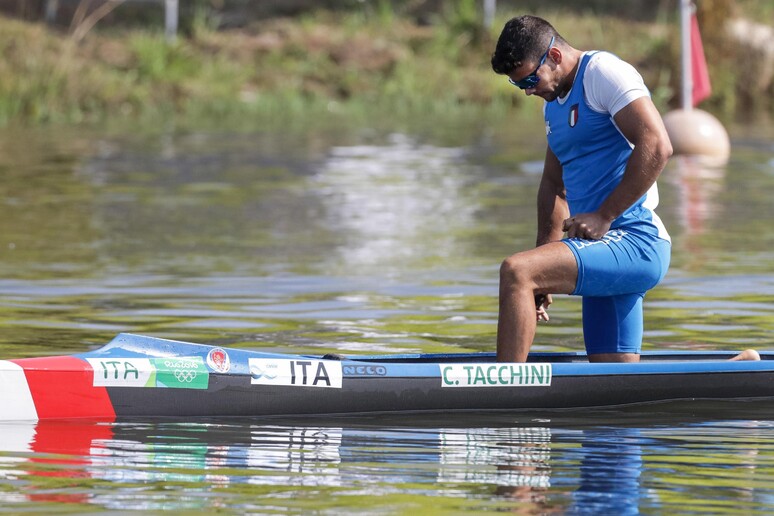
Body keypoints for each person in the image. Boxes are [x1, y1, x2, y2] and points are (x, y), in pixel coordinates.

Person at [490, 15, 673, 363]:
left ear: (555, 56)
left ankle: (504, 390)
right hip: (601, 249)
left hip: (636, 239)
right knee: (614, 389)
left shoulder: (603, 73)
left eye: (530, 79)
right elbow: (554, 186)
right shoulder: (553, 105)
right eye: (519, 86)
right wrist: (544, 263)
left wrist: (605, 215)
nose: (529, 90)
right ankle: (737, 369)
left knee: (516, 270)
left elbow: (658, 144)